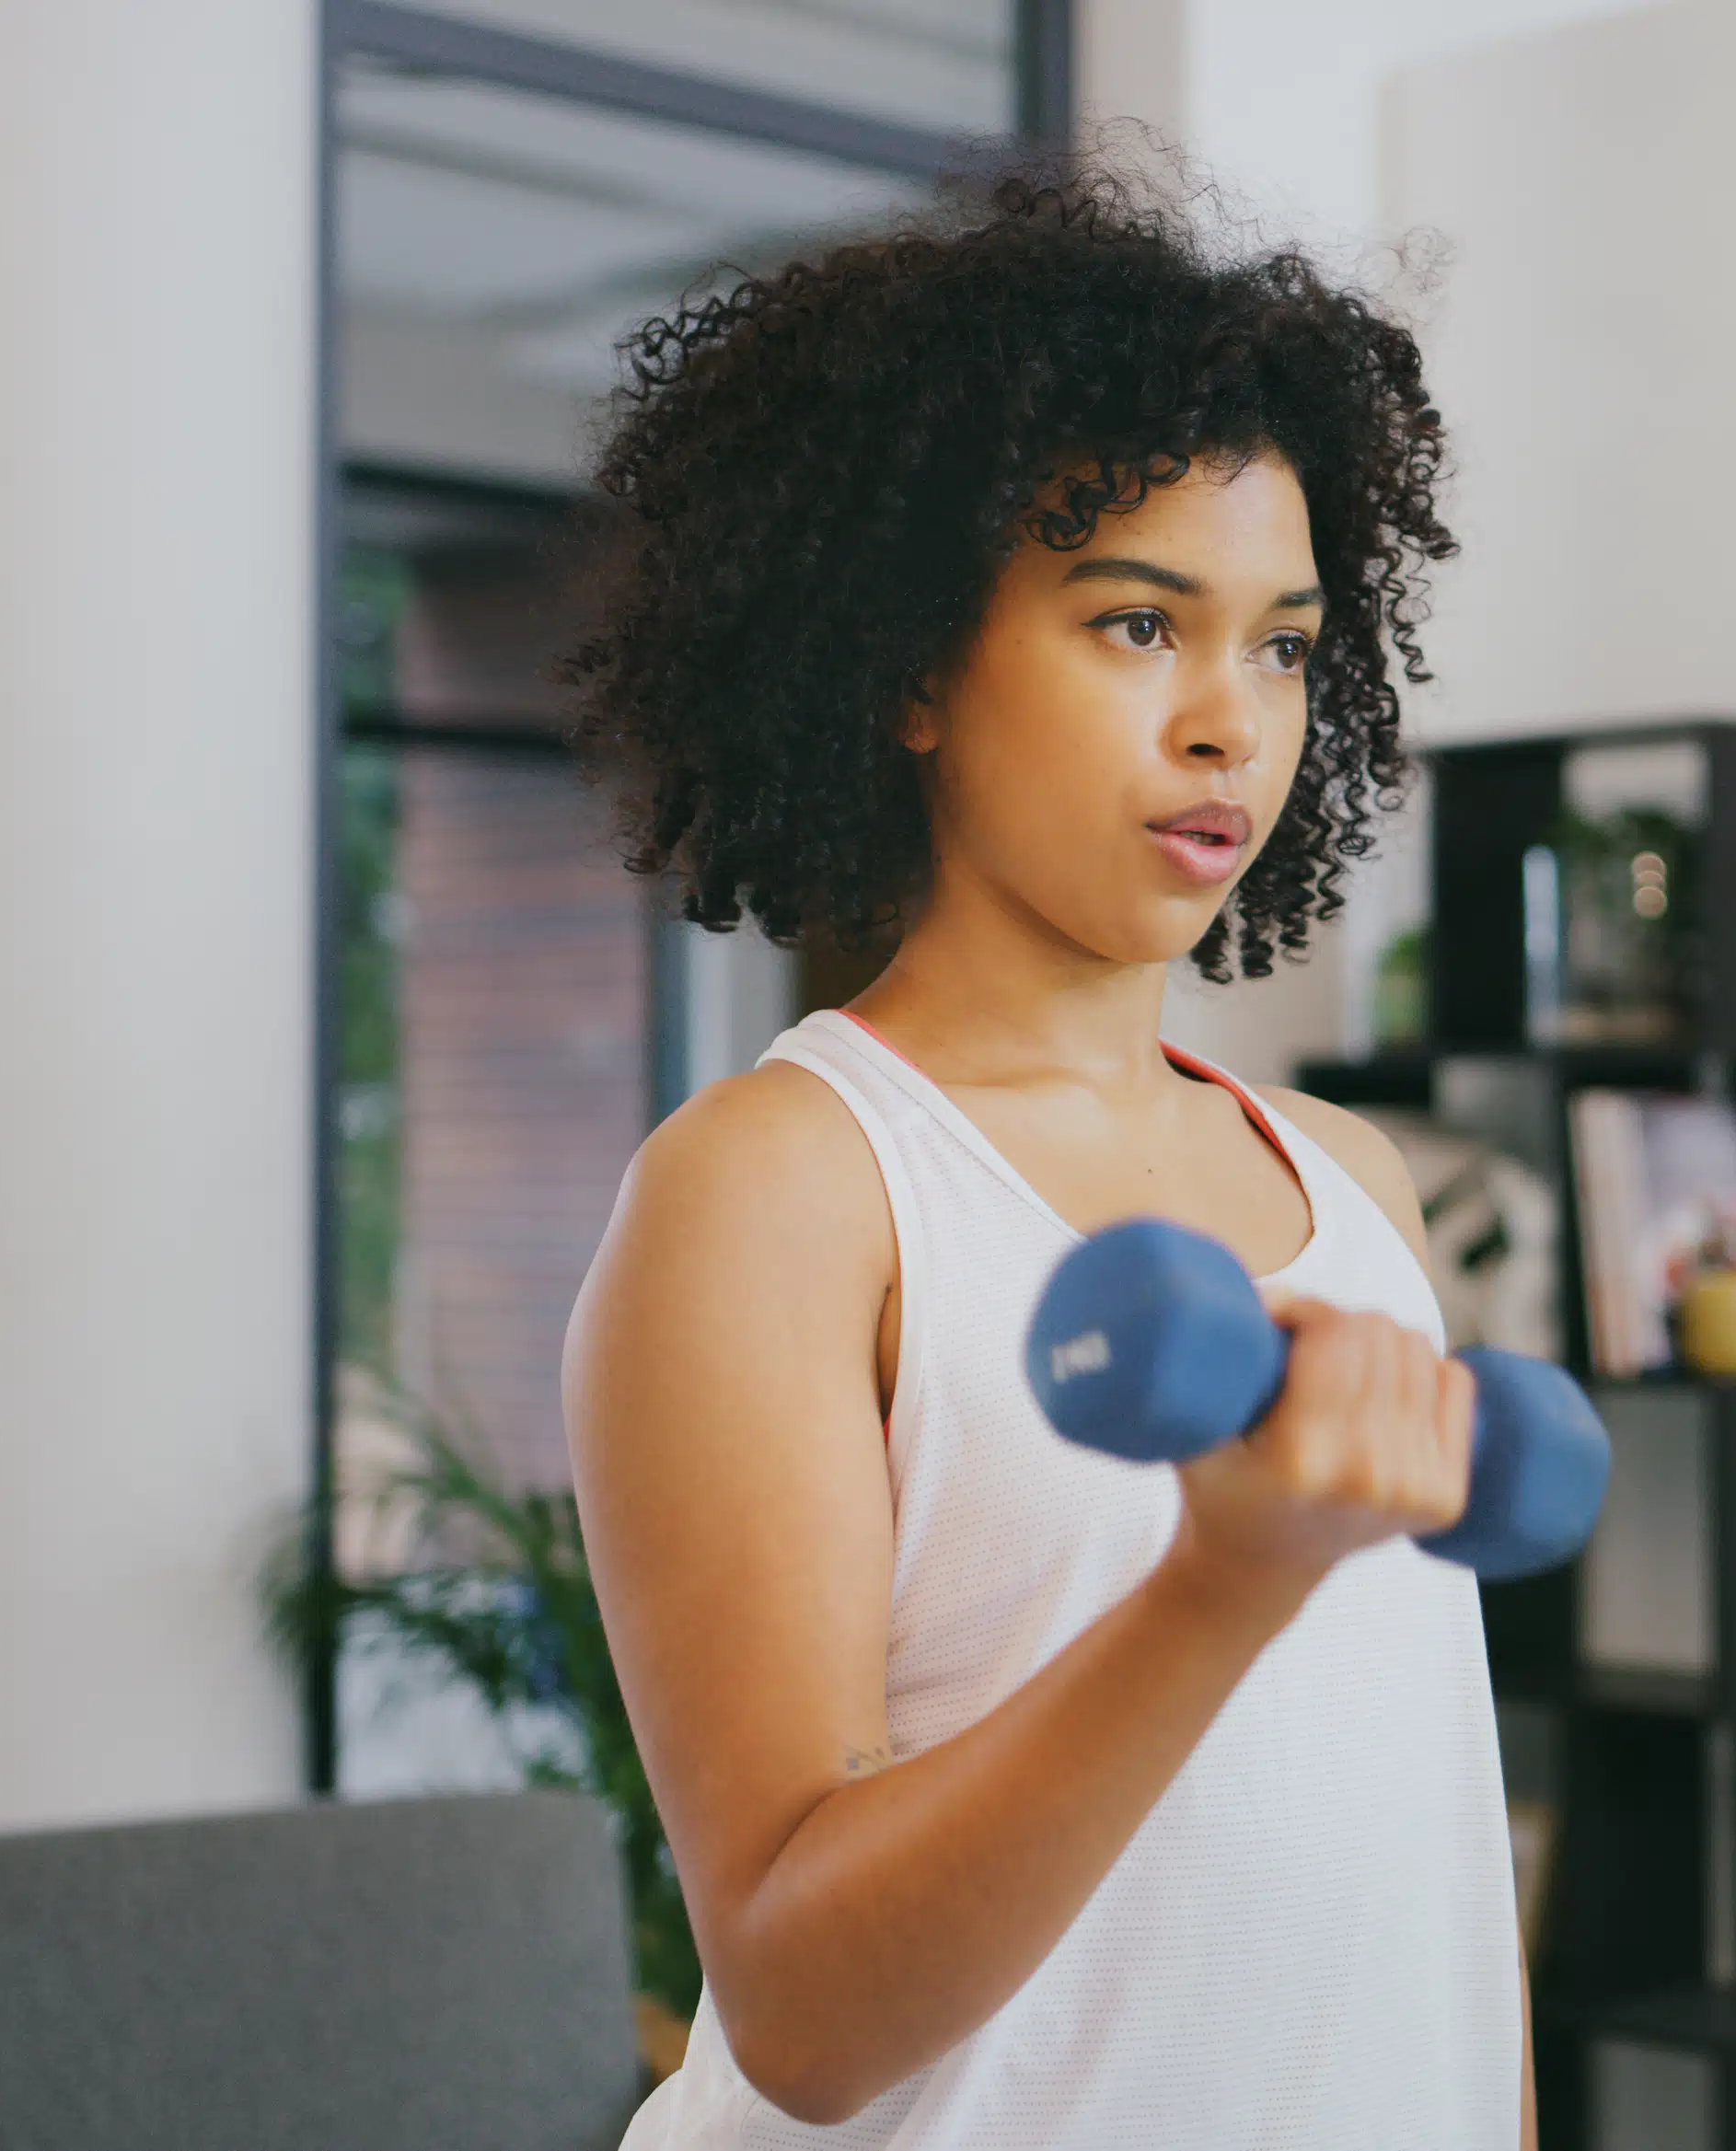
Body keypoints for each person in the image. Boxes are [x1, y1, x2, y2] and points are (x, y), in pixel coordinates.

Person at [560, 165, 1526, 2147]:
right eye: (1137, 622)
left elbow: (1422, 1870)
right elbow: (808, 2010)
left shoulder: (1351, 1177)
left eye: (1280, 645)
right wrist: (1220, 1579)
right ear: (910, 665)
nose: (1226, 727)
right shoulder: (779, 1195)